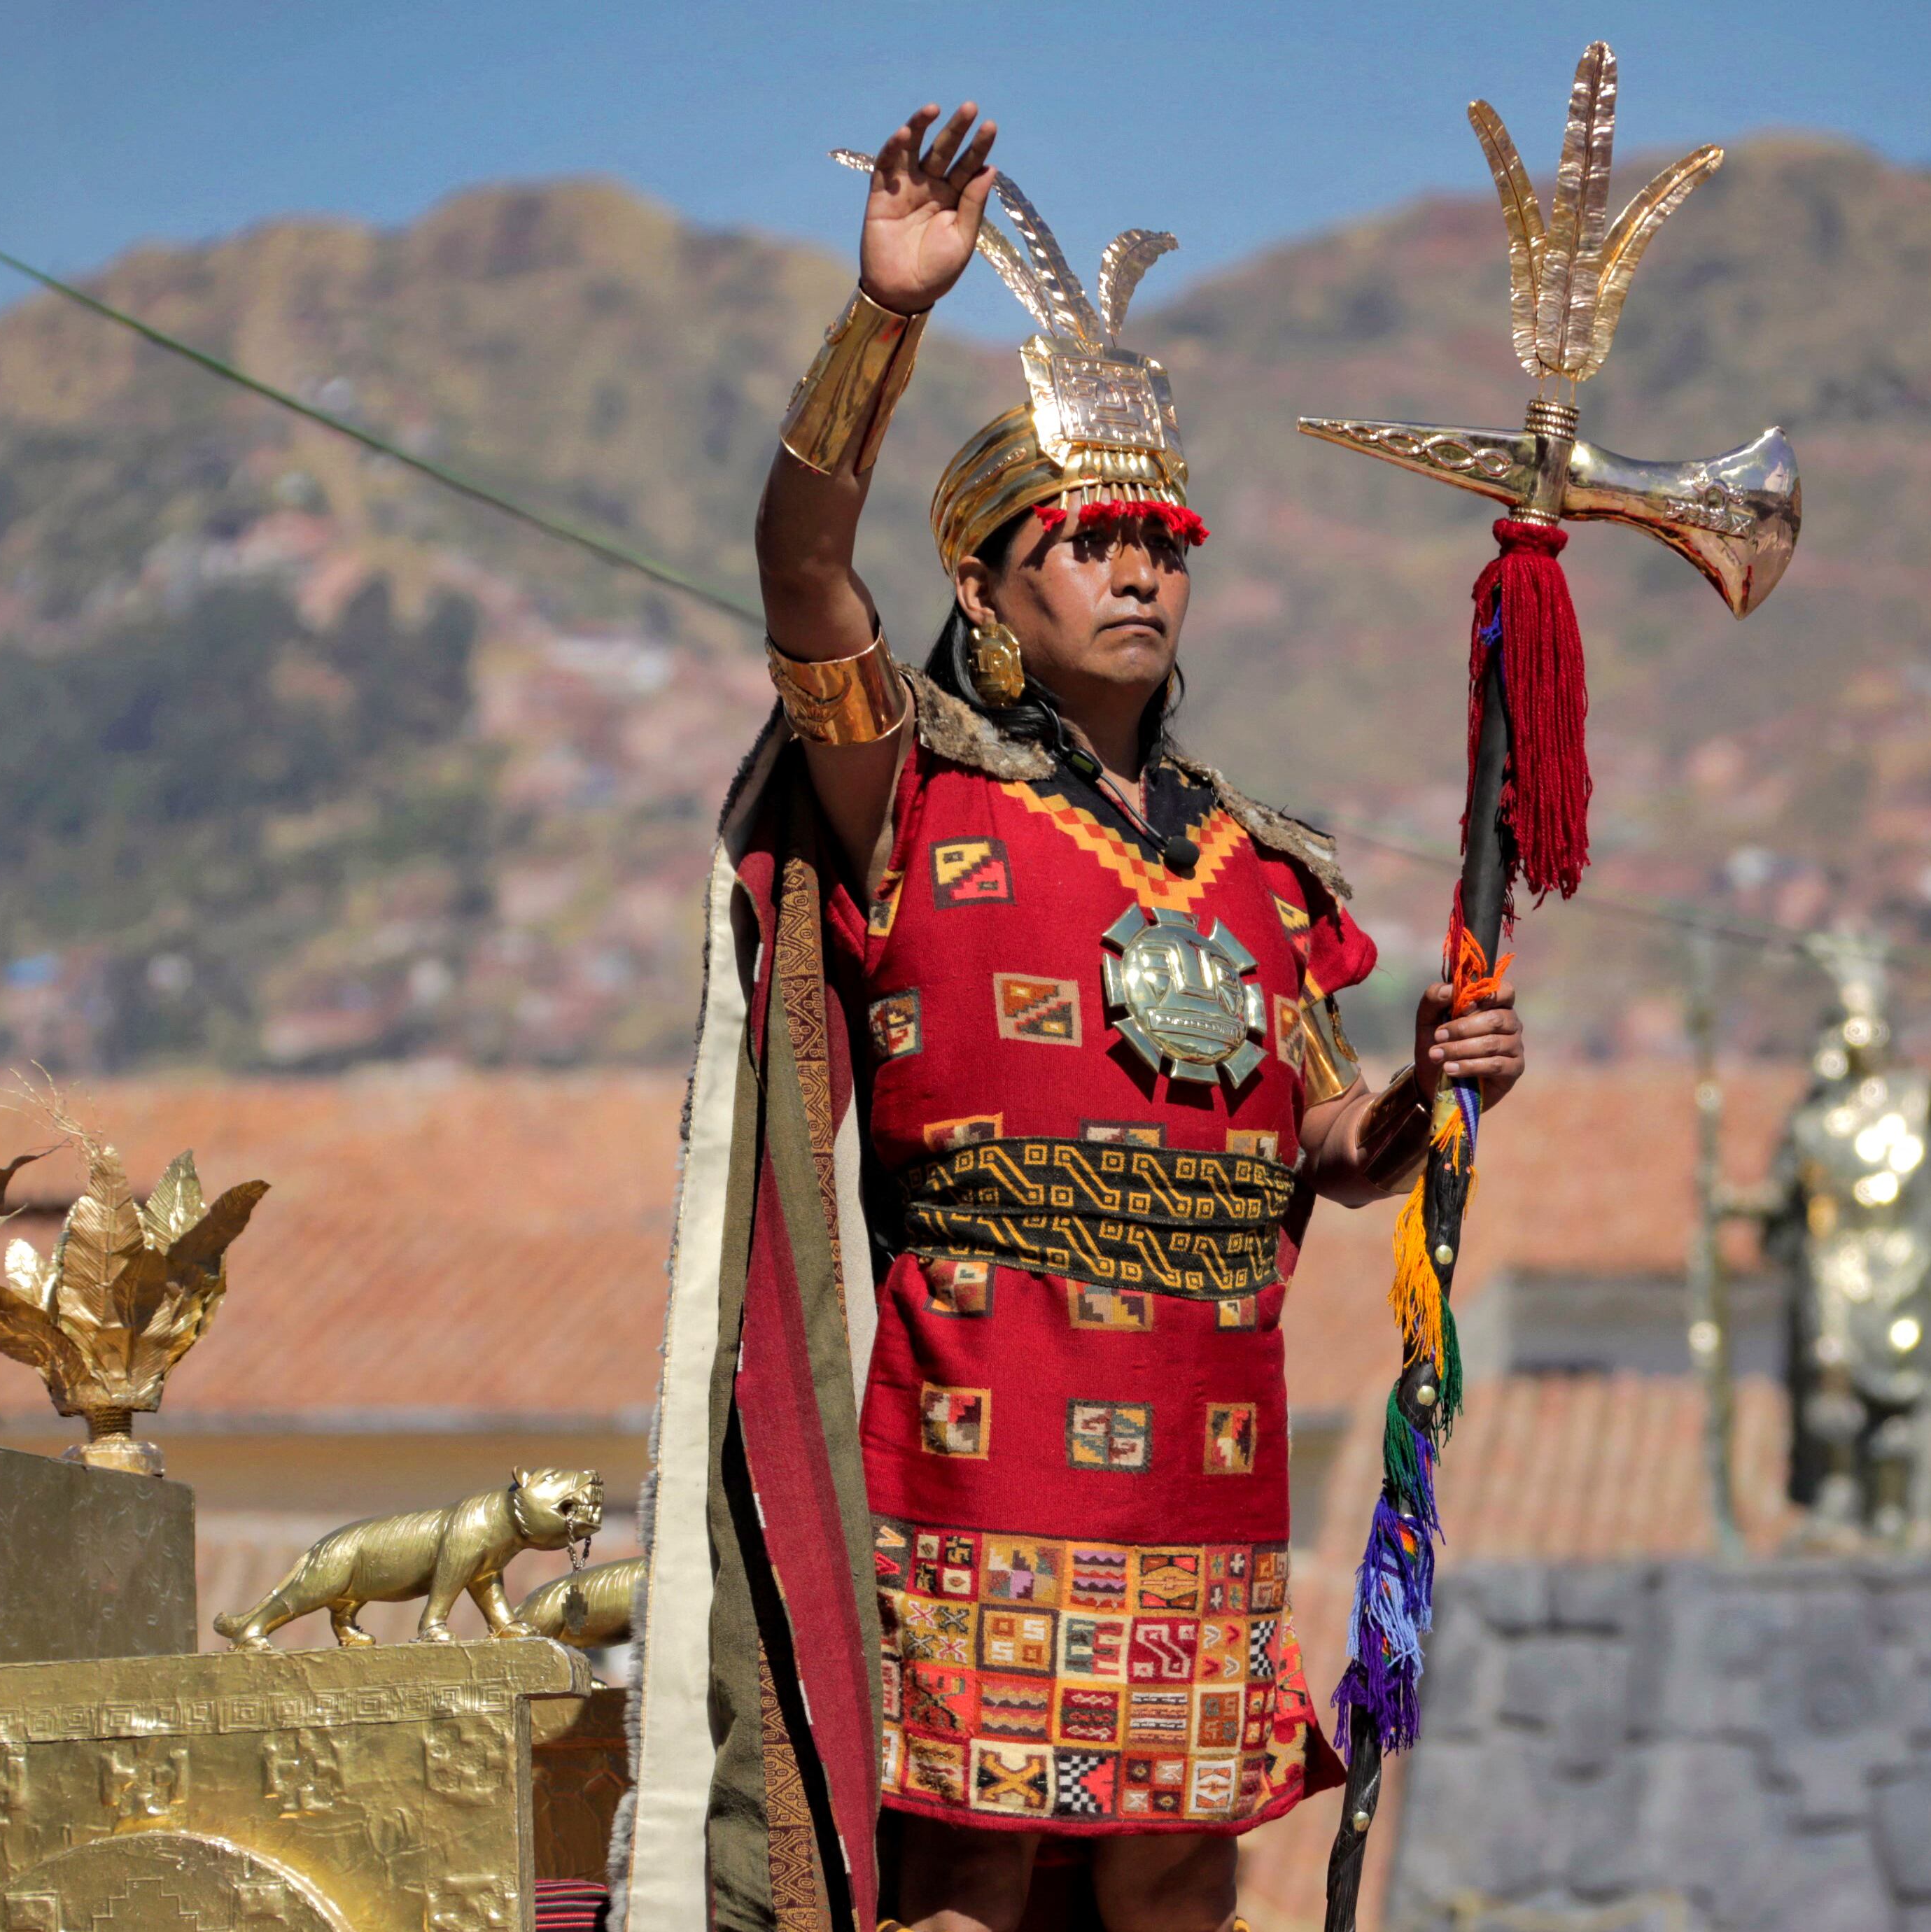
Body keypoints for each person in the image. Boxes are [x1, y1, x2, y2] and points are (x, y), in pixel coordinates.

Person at [617, 105, 1524, 1932]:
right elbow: (800, 572)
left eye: (1163, 546)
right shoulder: (906, 794)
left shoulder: (1265, 868)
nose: (1136, 575)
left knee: (1182, 1864)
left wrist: (1429, 1089)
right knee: (970, 1864)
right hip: (980, 1439)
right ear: (983, 588)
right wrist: (885, 315)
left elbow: (1332, 1141)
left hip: (1208, 1446)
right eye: (1090, 542)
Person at [1726, 934, 1931, 1544]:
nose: (1856, 1034)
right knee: (1831, 1383)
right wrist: (1727, 1202)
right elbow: (1782, 1200)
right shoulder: (1816, 1122)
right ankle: (1838, 1498)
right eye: (1846, 1022)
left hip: (1905, 1269)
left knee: (1900, 1401)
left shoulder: (1913, 1103)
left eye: (1865, 1020)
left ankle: (1895, 1509)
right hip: (1835, 1270)